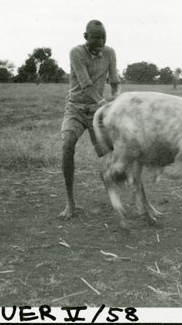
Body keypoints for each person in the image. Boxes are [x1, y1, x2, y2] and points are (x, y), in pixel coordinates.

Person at [59, 19, 120, 220]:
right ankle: (70, 202)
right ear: (86, 37)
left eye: (103, 36)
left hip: (97, 112)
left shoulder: (110, 53)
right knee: (68, 144)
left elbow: (114, 80)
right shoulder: (76, 53)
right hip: (75, 109)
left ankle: (113, 197)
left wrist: (116, 98)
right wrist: (103, 102)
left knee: (106, 154)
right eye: (95, 37)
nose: (101, 40)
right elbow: (85, 84)